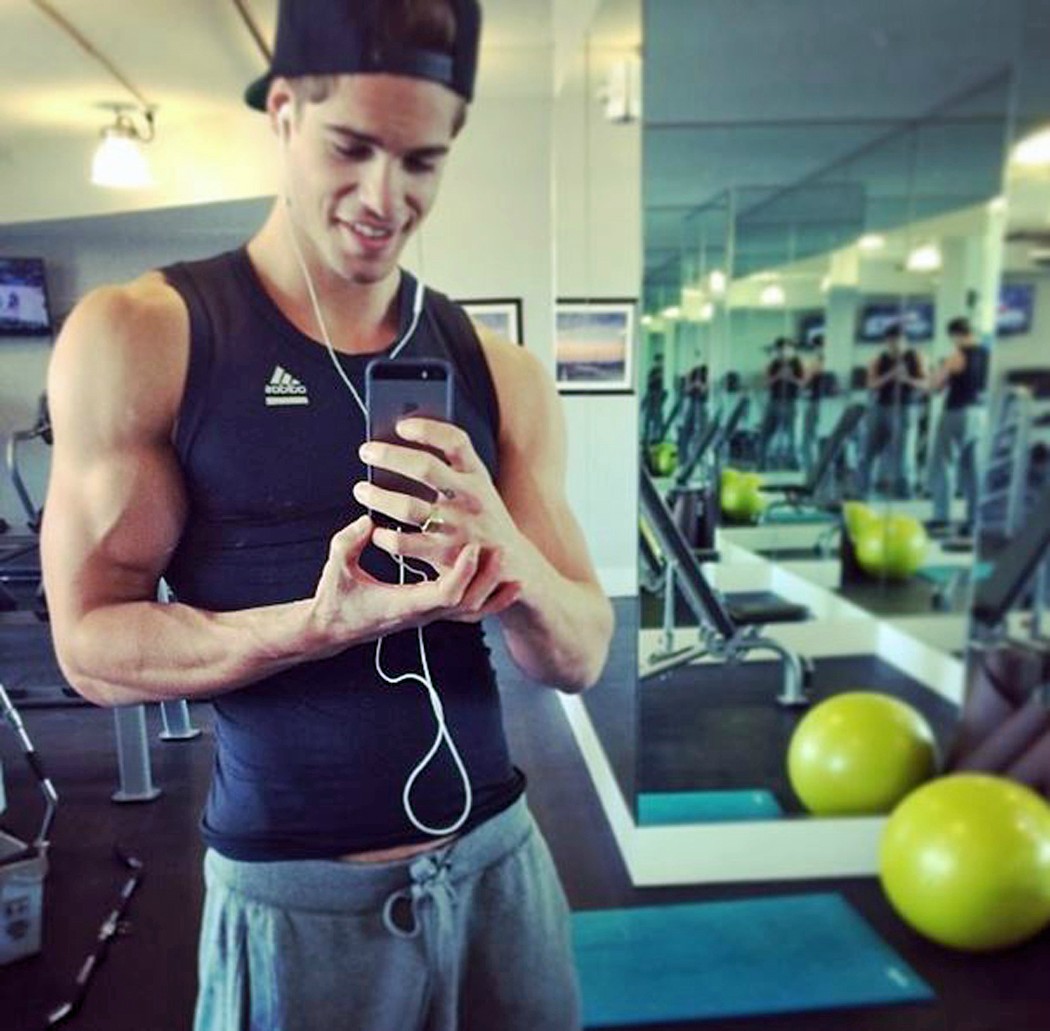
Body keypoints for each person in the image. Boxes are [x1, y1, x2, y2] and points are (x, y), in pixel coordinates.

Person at [40, 2, 614, 1029]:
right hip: (295, 897)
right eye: (352, 147)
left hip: (500, 868)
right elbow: (91, 651)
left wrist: (509, 552)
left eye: (422, 161)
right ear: (283, 113)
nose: (385, 197)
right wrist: (312, 626)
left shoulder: (505, 371)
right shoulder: (142, 336)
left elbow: (580, 655)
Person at [926, 316, 989, 532]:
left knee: (944, 464)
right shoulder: (987, 354)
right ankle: (974, 519)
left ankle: (941, 516)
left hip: (956, 412)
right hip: (980, 414)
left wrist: (937, 369)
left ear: (955, 335)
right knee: (973, 469)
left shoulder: (958, 355)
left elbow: (934, 386)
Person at [855, 323, 927, 498]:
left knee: (904, 453)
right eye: (891, 341)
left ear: (905, 340)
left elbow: (926, 384)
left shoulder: (916, 357)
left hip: (906, 408)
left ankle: (904, 491)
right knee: (867, 450)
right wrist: (890, 375)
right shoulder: (879, 359)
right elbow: (870, 384)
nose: (895, 344)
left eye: (898, 340)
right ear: (887, 341)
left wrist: (906, 379)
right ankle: (862, 490)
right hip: (880, 407)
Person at [757, 336, 804, 469]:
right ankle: (762, 464)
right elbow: (765, 384)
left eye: (786, 349)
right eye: (780, 349)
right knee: (765, 434)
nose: (783, 352)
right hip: (773, 401)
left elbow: (803, 384)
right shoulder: (774, 364)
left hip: (792, 402)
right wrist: (778, 376)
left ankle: (795, 466)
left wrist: (790, 377)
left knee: (793, 436)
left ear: (791, 349)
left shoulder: (797, 364)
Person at [800, 334, 827, 476]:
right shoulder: (817, 362)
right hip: (822, 403)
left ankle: (811, 471)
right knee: (816, 438)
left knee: (809, 438)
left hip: (817, 403)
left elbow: (804, 382)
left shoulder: (816, 363)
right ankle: (816, 470)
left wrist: (809, 370)